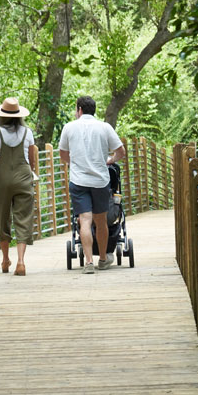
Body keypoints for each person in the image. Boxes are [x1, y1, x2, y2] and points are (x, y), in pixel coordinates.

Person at [58, 96, 126, 274]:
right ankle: (103, 259)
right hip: (100, 181)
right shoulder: (104, 127)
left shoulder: (69, 127)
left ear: (79, 109)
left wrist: (74, 164)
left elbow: (63, 154)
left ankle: (88, 262)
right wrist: (110, 160)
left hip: (79, 181)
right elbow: (121, 151)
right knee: (101, 221)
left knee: (85, 221)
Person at [0, 97, 37, 276]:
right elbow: (32, 160)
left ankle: (6, 259)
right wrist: (30, 175)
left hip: (3, 178)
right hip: (23, 176)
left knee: (3, 218)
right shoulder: (27, 132)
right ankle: (21, 262)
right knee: (23, 217)